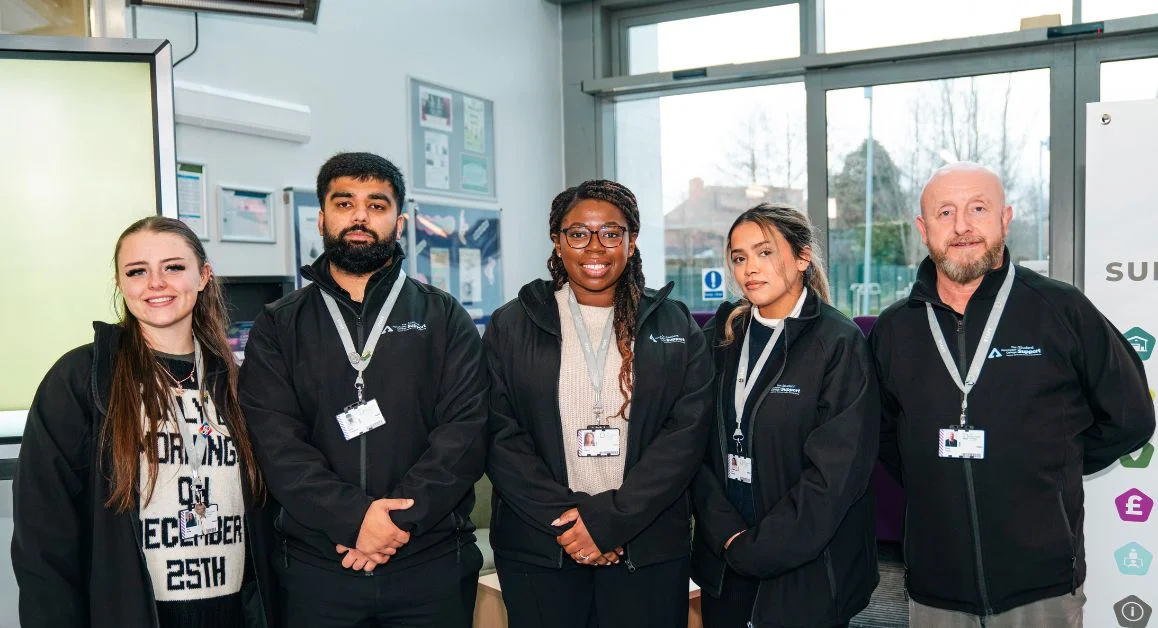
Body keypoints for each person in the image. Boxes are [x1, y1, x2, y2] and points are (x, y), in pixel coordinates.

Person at [871, 162, 1155, 627]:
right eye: (945, 213)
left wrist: (1050, 465)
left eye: (977, 208)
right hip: (934, 588)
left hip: (1040, 587)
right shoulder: (896, 328)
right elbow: (885, 435)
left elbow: (1131, 415)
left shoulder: (1060, 309)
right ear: (923, 229)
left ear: (1005, 218)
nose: (962, 226)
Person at [239, 152, 487, 627]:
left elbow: (465, 432)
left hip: (428, 563)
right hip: (318, 567)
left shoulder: (443, 316)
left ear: (400, 221)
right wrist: (354, 519)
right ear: (321, 218)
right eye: (344, 202)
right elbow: (276, 443)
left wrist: (392, 524)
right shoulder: (279, 325)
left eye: (376, 205)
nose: (359, 216)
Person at [12, 216, 274, 628]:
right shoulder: (81, 377)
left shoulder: (239, 380)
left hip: (236, 614)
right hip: (135, 614)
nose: (156, 283)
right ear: (120, 284)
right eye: (137, 271)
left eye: (173, 267)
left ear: (204, 276)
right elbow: (44, 536)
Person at [485, 180, 714, 627]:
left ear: (632, 240)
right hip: (542, 547)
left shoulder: (676, 323)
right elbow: (498, 432)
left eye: (611, 232)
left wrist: (611, 522)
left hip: (645, 547)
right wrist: (571, 523)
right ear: (557, 240)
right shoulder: (512, 323)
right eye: (578, 233)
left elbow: (686, 435)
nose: (595, 247)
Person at [691, 204, 880, 628]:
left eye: (764, 253)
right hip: (725, 559)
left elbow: (836, 476)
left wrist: (760, 549)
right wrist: (727, 536)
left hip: (808, 568)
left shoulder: (838, 343)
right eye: (739, 258)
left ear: (801, 257)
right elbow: (692, 449)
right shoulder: (717, 340)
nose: (749, 269)